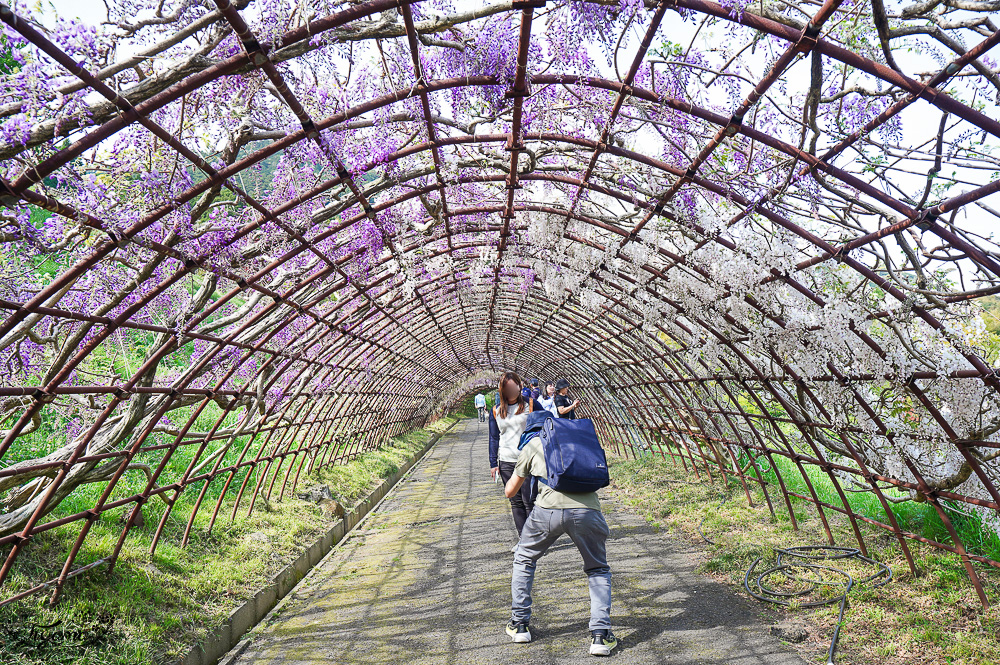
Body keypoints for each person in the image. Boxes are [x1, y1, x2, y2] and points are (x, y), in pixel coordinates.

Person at [502, 428, 617, 656]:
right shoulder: (580, 439)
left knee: (524, 558)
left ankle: (520, 625)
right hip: (588, 513)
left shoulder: (533, 444)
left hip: (547, 512)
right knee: (598, 569)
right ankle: (600, 636)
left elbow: (510, 491)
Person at [489, 372, 545, 536]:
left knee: (530, 500)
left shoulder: (532, 405)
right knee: (515, 501)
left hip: (528, 460)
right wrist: (493, 463)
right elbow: (494, 438)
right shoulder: (497, 410)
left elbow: (547, 425)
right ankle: (523, 539)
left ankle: (534, 538)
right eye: (507, 388)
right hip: (506, 460)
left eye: (514, 387)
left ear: (520, 386)